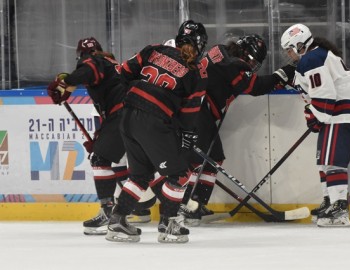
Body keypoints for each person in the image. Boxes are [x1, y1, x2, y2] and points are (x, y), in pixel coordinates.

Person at [105, 20, 208, 243]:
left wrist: (138, 95)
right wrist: (184, 136)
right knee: (180, 173)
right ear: (201, 45)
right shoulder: (196, 72)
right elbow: (189, 115)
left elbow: (122, 72)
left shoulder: (154, 50)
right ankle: (169, 225)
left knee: (140, 175)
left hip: (128, 115)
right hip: (153, 121)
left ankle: (117, 221)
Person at [179, 34, 296, 226]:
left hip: (194, 109)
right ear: (244, 52)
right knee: (199, 160)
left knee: (211, 158)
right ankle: (186, 205)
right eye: (251, 60)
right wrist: (282, 74)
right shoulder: (234, 64)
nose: (251, 65)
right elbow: (255, 87)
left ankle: (195, 204)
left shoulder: (219, 51)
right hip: (199, 111)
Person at [47, 37, 153, 236]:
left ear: (81, 55)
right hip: (131, 113)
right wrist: (99, 139)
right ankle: (152, 209)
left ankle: (108, 212)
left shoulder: (93, 61)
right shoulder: (110, 63)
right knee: (123, 161)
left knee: (100, 159)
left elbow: (87, 71)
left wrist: (65, 82)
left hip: (121, 114)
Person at [280, 24, 350, 227]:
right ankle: (330, 201)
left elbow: (325, 96)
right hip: (339, 112)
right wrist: (313, 113)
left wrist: (315, 114)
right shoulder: (315, 56)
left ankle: (340, 209)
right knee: (324, 160)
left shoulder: (312, 58)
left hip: (341, 112)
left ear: (299, 45)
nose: (288, 54)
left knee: (333, 162)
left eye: (289, 49)